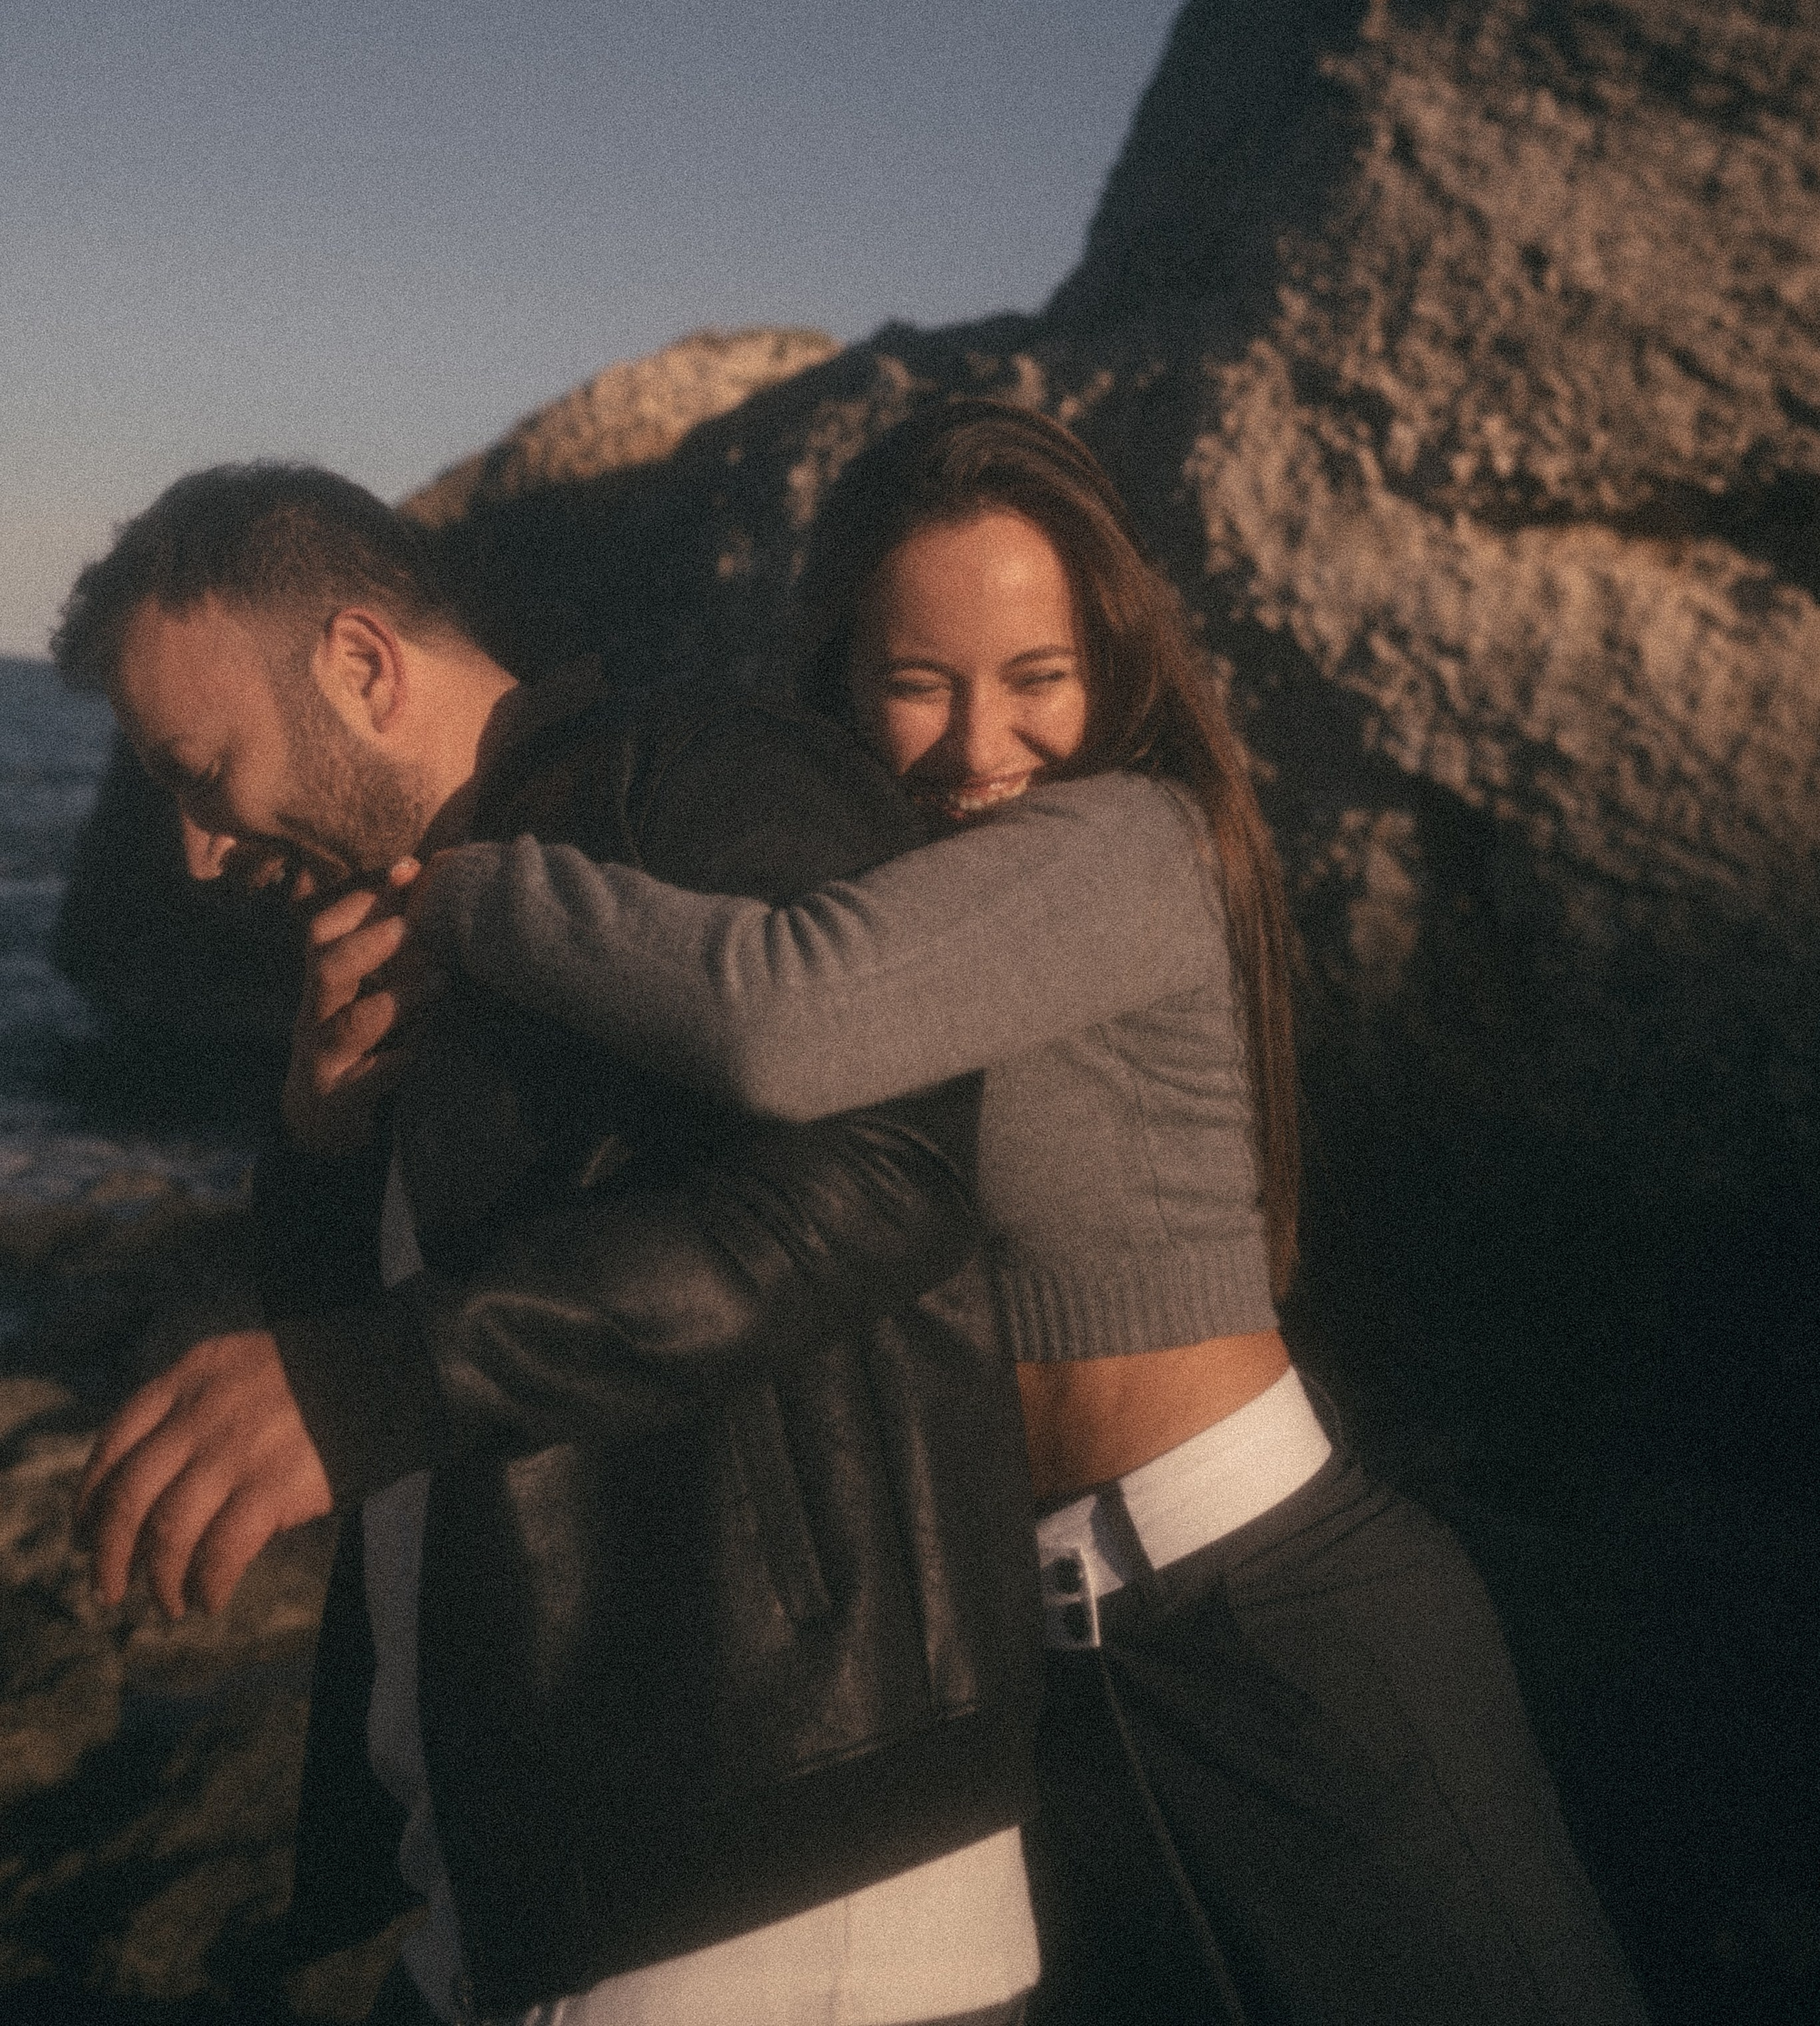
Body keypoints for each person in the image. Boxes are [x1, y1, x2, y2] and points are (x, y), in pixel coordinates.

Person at [355, 400, 1652, 2026]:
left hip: (1270, 1623)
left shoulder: (1125, 840)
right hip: (1037, 1677)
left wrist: (464, 887)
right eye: (918, 683)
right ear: (837, 680)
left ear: (1112, 666)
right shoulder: (890, 898)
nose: (982, 747)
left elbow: (776, 1017)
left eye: (1038, 677)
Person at [53, 462, 1046, 2026]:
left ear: (362, 664)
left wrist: (387, 1377)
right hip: (529, 1879)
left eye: (203, 773)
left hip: (779, 1876)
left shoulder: (697, 778)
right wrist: (321, 1145)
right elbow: (366, 1350)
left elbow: (891, 1173)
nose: (192, 851)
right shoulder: (410, 910)